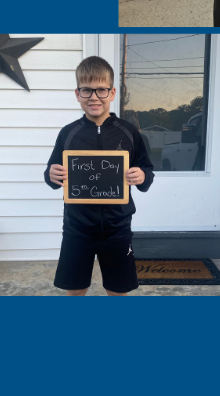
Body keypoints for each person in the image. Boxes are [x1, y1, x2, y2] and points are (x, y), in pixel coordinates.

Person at [43, 54, 153, 295]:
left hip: (118, 228)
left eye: (101, 90)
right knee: (75, 289)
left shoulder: (130, 133)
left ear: (112, 93)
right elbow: (52, 174)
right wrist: (52, 175)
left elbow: (147, 171)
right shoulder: (68, 133)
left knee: (118, 290)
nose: (94, 97)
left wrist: (142, 176)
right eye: (87, 90)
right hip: (77, 228)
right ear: (77, 94)